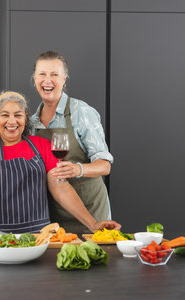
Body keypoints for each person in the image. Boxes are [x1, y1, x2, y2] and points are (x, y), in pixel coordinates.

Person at [0, 90, 120, 234]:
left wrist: (93, 224)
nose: (12, 121)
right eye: (5, 115)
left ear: (26, 117)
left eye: (18, 115)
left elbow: (61, 189)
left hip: (38, 237)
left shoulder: (41, 145)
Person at [30, 50, 114, 233]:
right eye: (42, 74)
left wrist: (78, 169)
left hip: (91, 211)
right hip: (52, 216)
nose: (47, 80)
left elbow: (105, 165)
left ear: (64, 79)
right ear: (34, 78)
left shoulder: (81, 112)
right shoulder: (31, 122)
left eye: (54, 74)